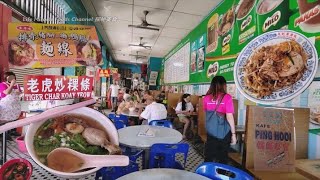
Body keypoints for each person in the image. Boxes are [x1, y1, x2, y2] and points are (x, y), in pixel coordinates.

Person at [203, 76, 236, 164]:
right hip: (224, 132)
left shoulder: (206, 98)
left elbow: (207, 113)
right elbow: (229, 117)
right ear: (224, 85)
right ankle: (221, 174)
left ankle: (207, 173)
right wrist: (233, 134)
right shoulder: (227, 97)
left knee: (209, 154)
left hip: (211, 130)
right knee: (223, 156)